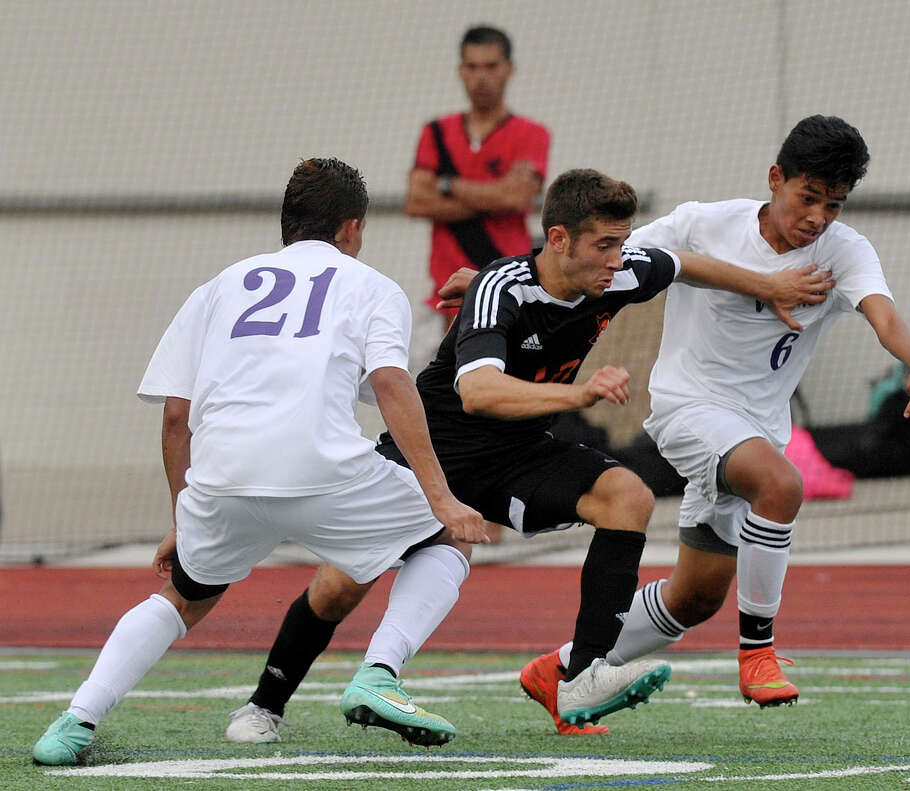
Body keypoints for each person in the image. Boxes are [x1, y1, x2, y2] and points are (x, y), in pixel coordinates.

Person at [222, 168, 835, 742]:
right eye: (604, 246)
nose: (618, 261)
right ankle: (264, 705)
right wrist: (579, 392)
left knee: (628, 496)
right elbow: (479, 391)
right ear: (560, 238)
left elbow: (682, 265)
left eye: (622, 244)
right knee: (340, 585)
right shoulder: (500, 289)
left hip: (517, 453)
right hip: (436, 450)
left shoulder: (618, 272)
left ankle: (584, 674)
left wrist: (770, 285)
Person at [31, 158, 488, 766]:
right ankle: (379, 673)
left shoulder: (218, 287)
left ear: (287, 224)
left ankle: (74, 721)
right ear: (351, 228)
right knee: (444, 540)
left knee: (183, 598)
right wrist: (441, 499)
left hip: (221, 478)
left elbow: (175, 415)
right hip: (323, 470)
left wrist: (183, 520)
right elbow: (389, 383)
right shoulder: (372, 286)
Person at [595, 114, 910, 707]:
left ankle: (567, 666)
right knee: (782, 485)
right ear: (776, 178)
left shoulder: (844, 251)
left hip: (756, 431)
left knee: (694, 599)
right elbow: (600, 259)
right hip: (688, 409)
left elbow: (882, 313)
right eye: (808, 198)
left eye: (833, 206)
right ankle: (758, 653)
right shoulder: (704, 224)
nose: (817, 218)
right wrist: (496, 281)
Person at [405, 24, 550, 333]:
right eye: (472, 67)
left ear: (509, 69)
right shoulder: (436, 132)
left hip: (508, 288)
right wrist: (494, 196)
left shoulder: (531, 134)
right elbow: (416, 201)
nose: (480, 77)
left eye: (490, 66)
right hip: (444, 295)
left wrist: (446, 185)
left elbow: (516, 198)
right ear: (460, 70)